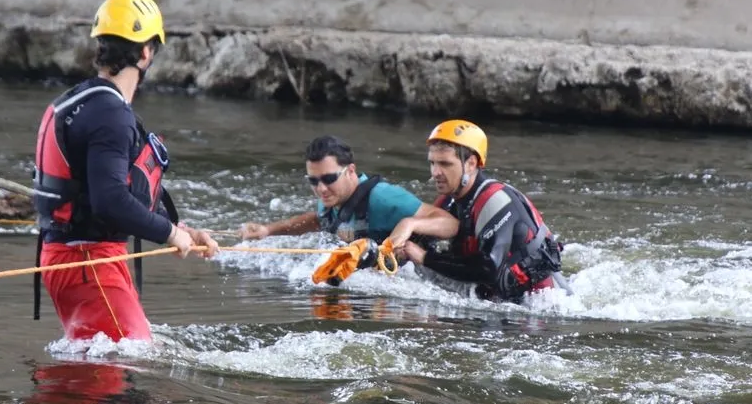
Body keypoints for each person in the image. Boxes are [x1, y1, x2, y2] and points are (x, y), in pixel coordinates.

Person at [31, 0, 219, 343]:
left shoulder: (83, 101)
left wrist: (182, 230)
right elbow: (111, 201)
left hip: (76, 258)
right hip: (88, 261)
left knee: (105, 364)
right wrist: (169, 234)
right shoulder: (111, 114)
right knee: (126, 364)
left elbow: (101, 191)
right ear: (146, 52)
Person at [387, 119, 569, 303]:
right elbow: (417, 245)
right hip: (491, 300)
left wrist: (425, 258)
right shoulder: (447, 201)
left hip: (539, 306)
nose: (435, 172)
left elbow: (488, 268)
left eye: (445, 164)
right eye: (432, 163)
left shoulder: (495, 201)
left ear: (471, 163)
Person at [239, 135, 453, 244]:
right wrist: (268, 231)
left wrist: (409, 224)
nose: (321, 189)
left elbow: (449, 222)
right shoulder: (330, 197)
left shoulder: (383, 198)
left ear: (350, 171)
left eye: (329, 178)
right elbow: (317, 221)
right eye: (313, 180)